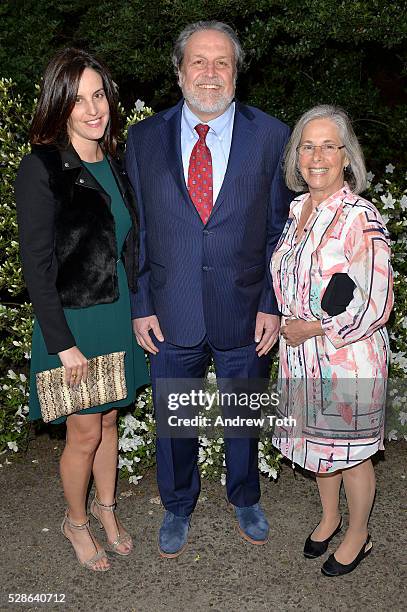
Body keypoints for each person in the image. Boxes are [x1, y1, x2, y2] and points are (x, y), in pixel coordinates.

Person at [126, 21, 292, 558]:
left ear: (237, 72)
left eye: (222, 62)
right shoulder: (144, 138)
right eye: (198, 61)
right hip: (170, 310)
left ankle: (245, 496)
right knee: (176, 417)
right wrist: (143, 302)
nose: (210, 73)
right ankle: (177, 505)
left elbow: (278, 231)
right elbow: (139, 230)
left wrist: (271, 303)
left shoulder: (271, 135)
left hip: (245, 307)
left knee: (242, 411)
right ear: (178, 72)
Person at [15, 48, 149, 571]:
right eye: (78, 99)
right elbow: (37, 266)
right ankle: (76, 522)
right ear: (59, 106)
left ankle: (107, 510)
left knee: (110, 420)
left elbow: (128, 244)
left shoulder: (114, 162)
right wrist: (61, 343)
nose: (93, 109)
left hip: (117, 312)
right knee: (84, 430)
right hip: (72, 322)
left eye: (98, 95)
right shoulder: (42, 167)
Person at [270, 104, 393, 576]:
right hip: (301, 357)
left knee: (353, 453)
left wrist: (315, 327)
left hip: (347, 357)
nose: (316, 156)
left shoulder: (361, 217)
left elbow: (375, 301)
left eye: (328, 146)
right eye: (307, 146)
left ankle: (359, 534)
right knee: (319, 449)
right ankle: (329, 517)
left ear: (346, 157)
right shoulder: (297, 209)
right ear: (297, 156)